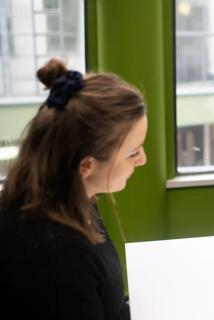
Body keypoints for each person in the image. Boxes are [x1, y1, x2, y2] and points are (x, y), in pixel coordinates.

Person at [0, 59, 147, 319]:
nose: (142, 160)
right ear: (87, 165)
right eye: (133, 152)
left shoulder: (72, 198)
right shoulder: (60, 260)